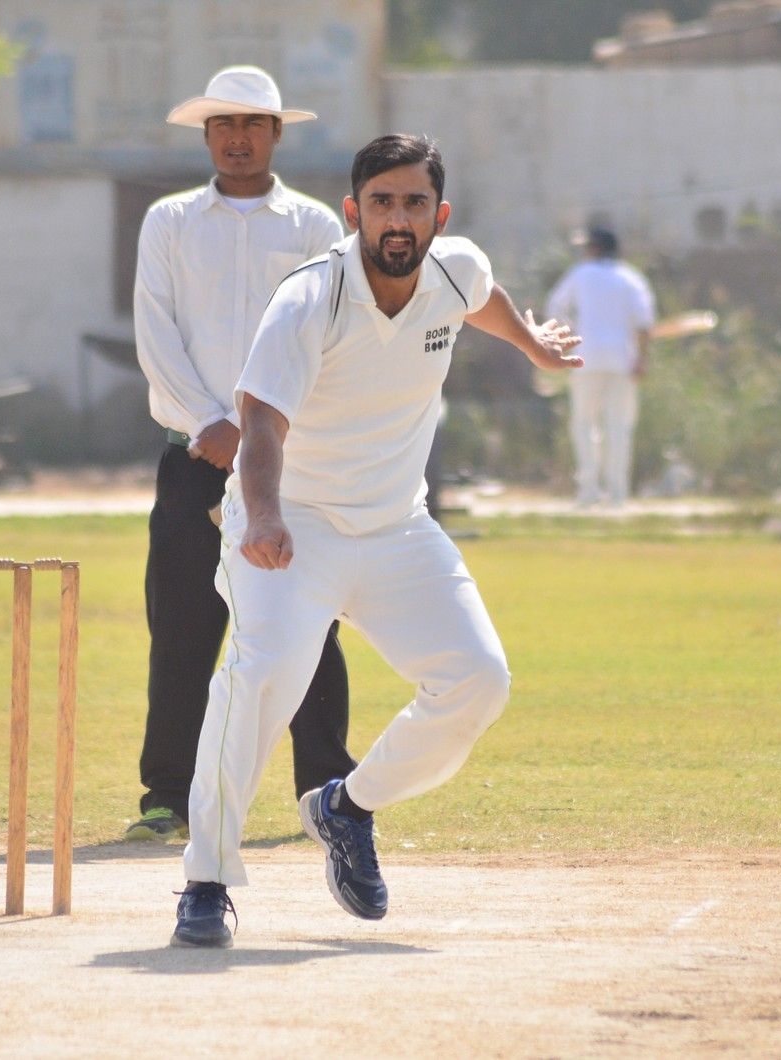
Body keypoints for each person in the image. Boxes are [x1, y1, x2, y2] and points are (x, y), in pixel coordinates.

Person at [171, 134, 584, 948]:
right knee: (262, 678)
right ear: (354, 212)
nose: (399, 220)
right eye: (383, 203)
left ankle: (346, 806)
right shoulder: (310, 299)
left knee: (479, 681)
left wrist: (532, 344)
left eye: (415, 204)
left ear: (440, 215)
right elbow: (261, 422)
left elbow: (484, 297)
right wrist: (264, 515)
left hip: (397, 526)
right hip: (292, 525)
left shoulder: (457, 268)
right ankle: (206, 880)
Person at [127, 66, 356, 843]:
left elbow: (329, 338)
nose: (237, 138)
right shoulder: (170, 221)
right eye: (223, 124)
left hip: (290, 461)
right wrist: (211, 424)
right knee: (184, 629)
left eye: (253, 124)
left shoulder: (315, 226)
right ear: (206, 135)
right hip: (193, 457)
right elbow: (155, 335)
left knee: (309, 626)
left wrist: (256, 429)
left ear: (276, 133)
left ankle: (327, 794)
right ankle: (168, 796)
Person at [545, 226, 656, 507]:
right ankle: (617, 495)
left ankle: (589, 492)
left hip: (586, 357)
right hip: (622, 359)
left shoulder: (581, 274)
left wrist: (570, 334)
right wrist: (642, 358)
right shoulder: (630, 278)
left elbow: (555, 307)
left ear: (595, 248)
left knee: (584, 425)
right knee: (618, 427)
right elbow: (644, 323)